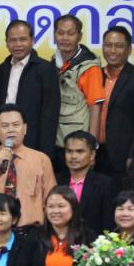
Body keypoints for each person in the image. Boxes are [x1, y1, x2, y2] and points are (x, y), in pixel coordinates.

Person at [0, 104, 57, 228]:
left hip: (31, 231)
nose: (10, 130)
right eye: (5, 126)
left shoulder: (41, 160)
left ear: (25, 128)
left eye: (16, 125)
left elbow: (51, 201)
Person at [96, 26, 134, 183]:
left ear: (129, 49)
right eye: (108, 45)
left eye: (119, 46)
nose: (112, 50)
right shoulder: (95, 75)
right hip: (95, 155)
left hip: (122, 157)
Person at [0, 19, 60, 157]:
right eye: (13, 40)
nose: (18, 44)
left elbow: (50, 115)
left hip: (33, 144)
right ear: (6, 43)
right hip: (4, 142)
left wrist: (45, 153)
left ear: (32, 40)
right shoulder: (1, 69)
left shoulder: (45, 69)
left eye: (23, 39)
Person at [51, 15, 105, 171]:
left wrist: (91, 145)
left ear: (79, 36)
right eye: (61, 33)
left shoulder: (89, 67)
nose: (65, 38)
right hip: (57, 140)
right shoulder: (54, 61)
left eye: (71, 33)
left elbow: (95, 107)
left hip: (78, 144)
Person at [14, 186, 87, 266]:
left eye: (61, 206)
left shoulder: (87, 237)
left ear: (73, 208)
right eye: (51, 206)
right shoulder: (35, 235)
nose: (55, 211)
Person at [57, 130, 115, 235]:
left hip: (92, 242)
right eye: (69, 151)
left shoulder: (105, 184)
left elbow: (108, 223)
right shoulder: (57, 181)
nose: (73, 156)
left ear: (92, 155)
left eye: (80, 151)